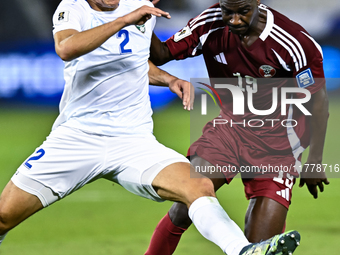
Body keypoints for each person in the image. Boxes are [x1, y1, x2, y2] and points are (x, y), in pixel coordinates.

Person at [0, 0, 301, 255]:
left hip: (134, 140)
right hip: (77, 138)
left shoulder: (138, 4)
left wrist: (168, 79)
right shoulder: (73, 8)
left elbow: (131, 60)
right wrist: (123, 20)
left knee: (198, 186)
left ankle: (241, 251)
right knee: (4, 217)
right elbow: (66, 48)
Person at [145, 0, 329, 254]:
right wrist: (143, 16)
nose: (234, 20)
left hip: (278, 144)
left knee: (257, 247)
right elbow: (161, 54)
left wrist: (316, 159)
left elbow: (317, 101)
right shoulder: (210, 23)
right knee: (186, 204)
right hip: (229, 130)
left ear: (257, 3)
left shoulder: (293, 41)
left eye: (243, 12)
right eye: (227, 12)